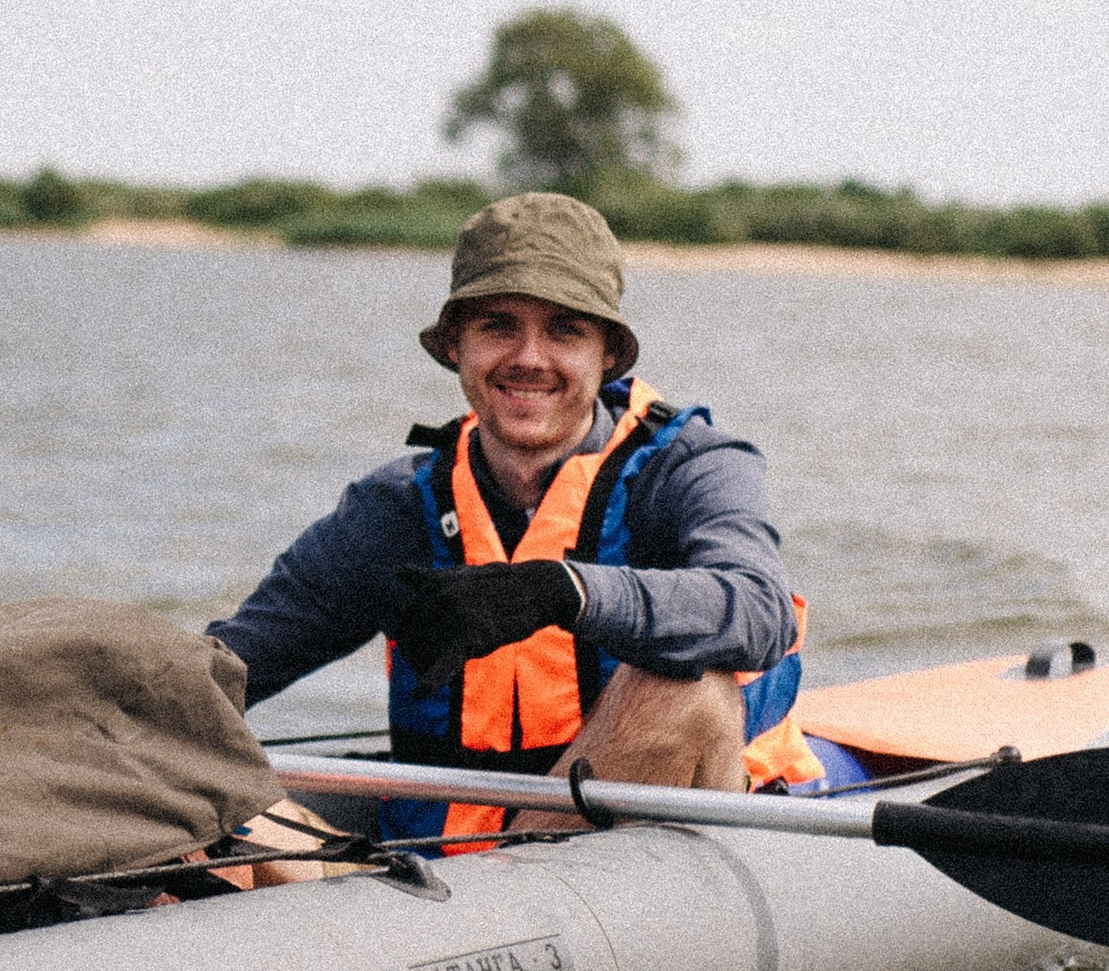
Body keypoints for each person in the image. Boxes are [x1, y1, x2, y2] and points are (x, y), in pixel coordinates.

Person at [209, 193, 821, 848]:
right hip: (437, 856)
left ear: (607, 354)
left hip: (646, 842)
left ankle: (504, 886)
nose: (529, 356)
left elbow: (761, 611)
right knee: (180, 754)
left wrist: (562, 591)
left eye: (565, 329)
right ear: (456, 346)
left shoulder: (693, 467)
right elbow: (231, 670)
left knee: (682, 685)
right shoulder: (394, 506)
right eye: (498, 325)